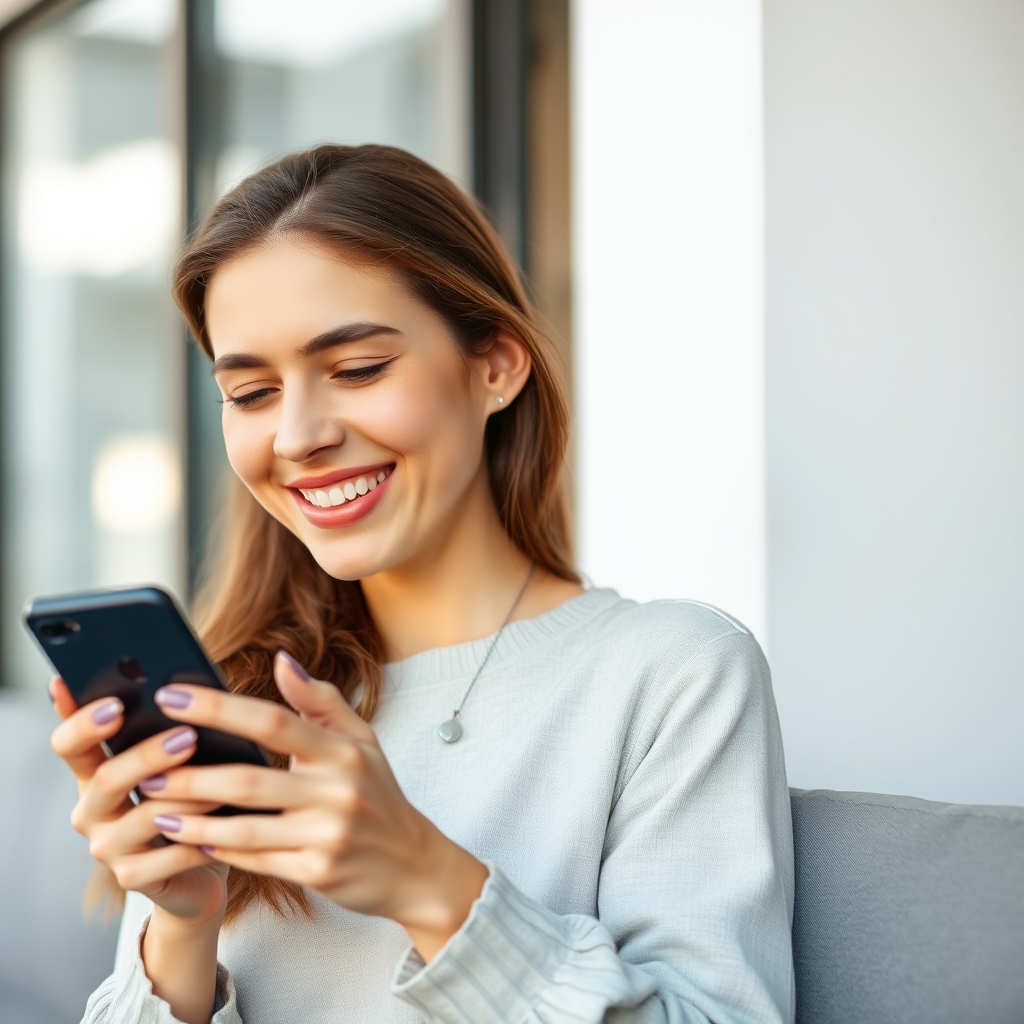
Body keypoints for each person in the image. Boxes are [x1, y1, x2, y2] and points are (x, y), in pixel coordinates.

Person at [49, 145, 794, 1024]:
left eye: (358, 369)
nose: (296, 435)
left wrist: (428, 882)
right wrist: (181, 927)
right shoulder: (238, 689)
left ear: (496, 367)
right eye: (250, 391)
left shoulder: (674, 674)